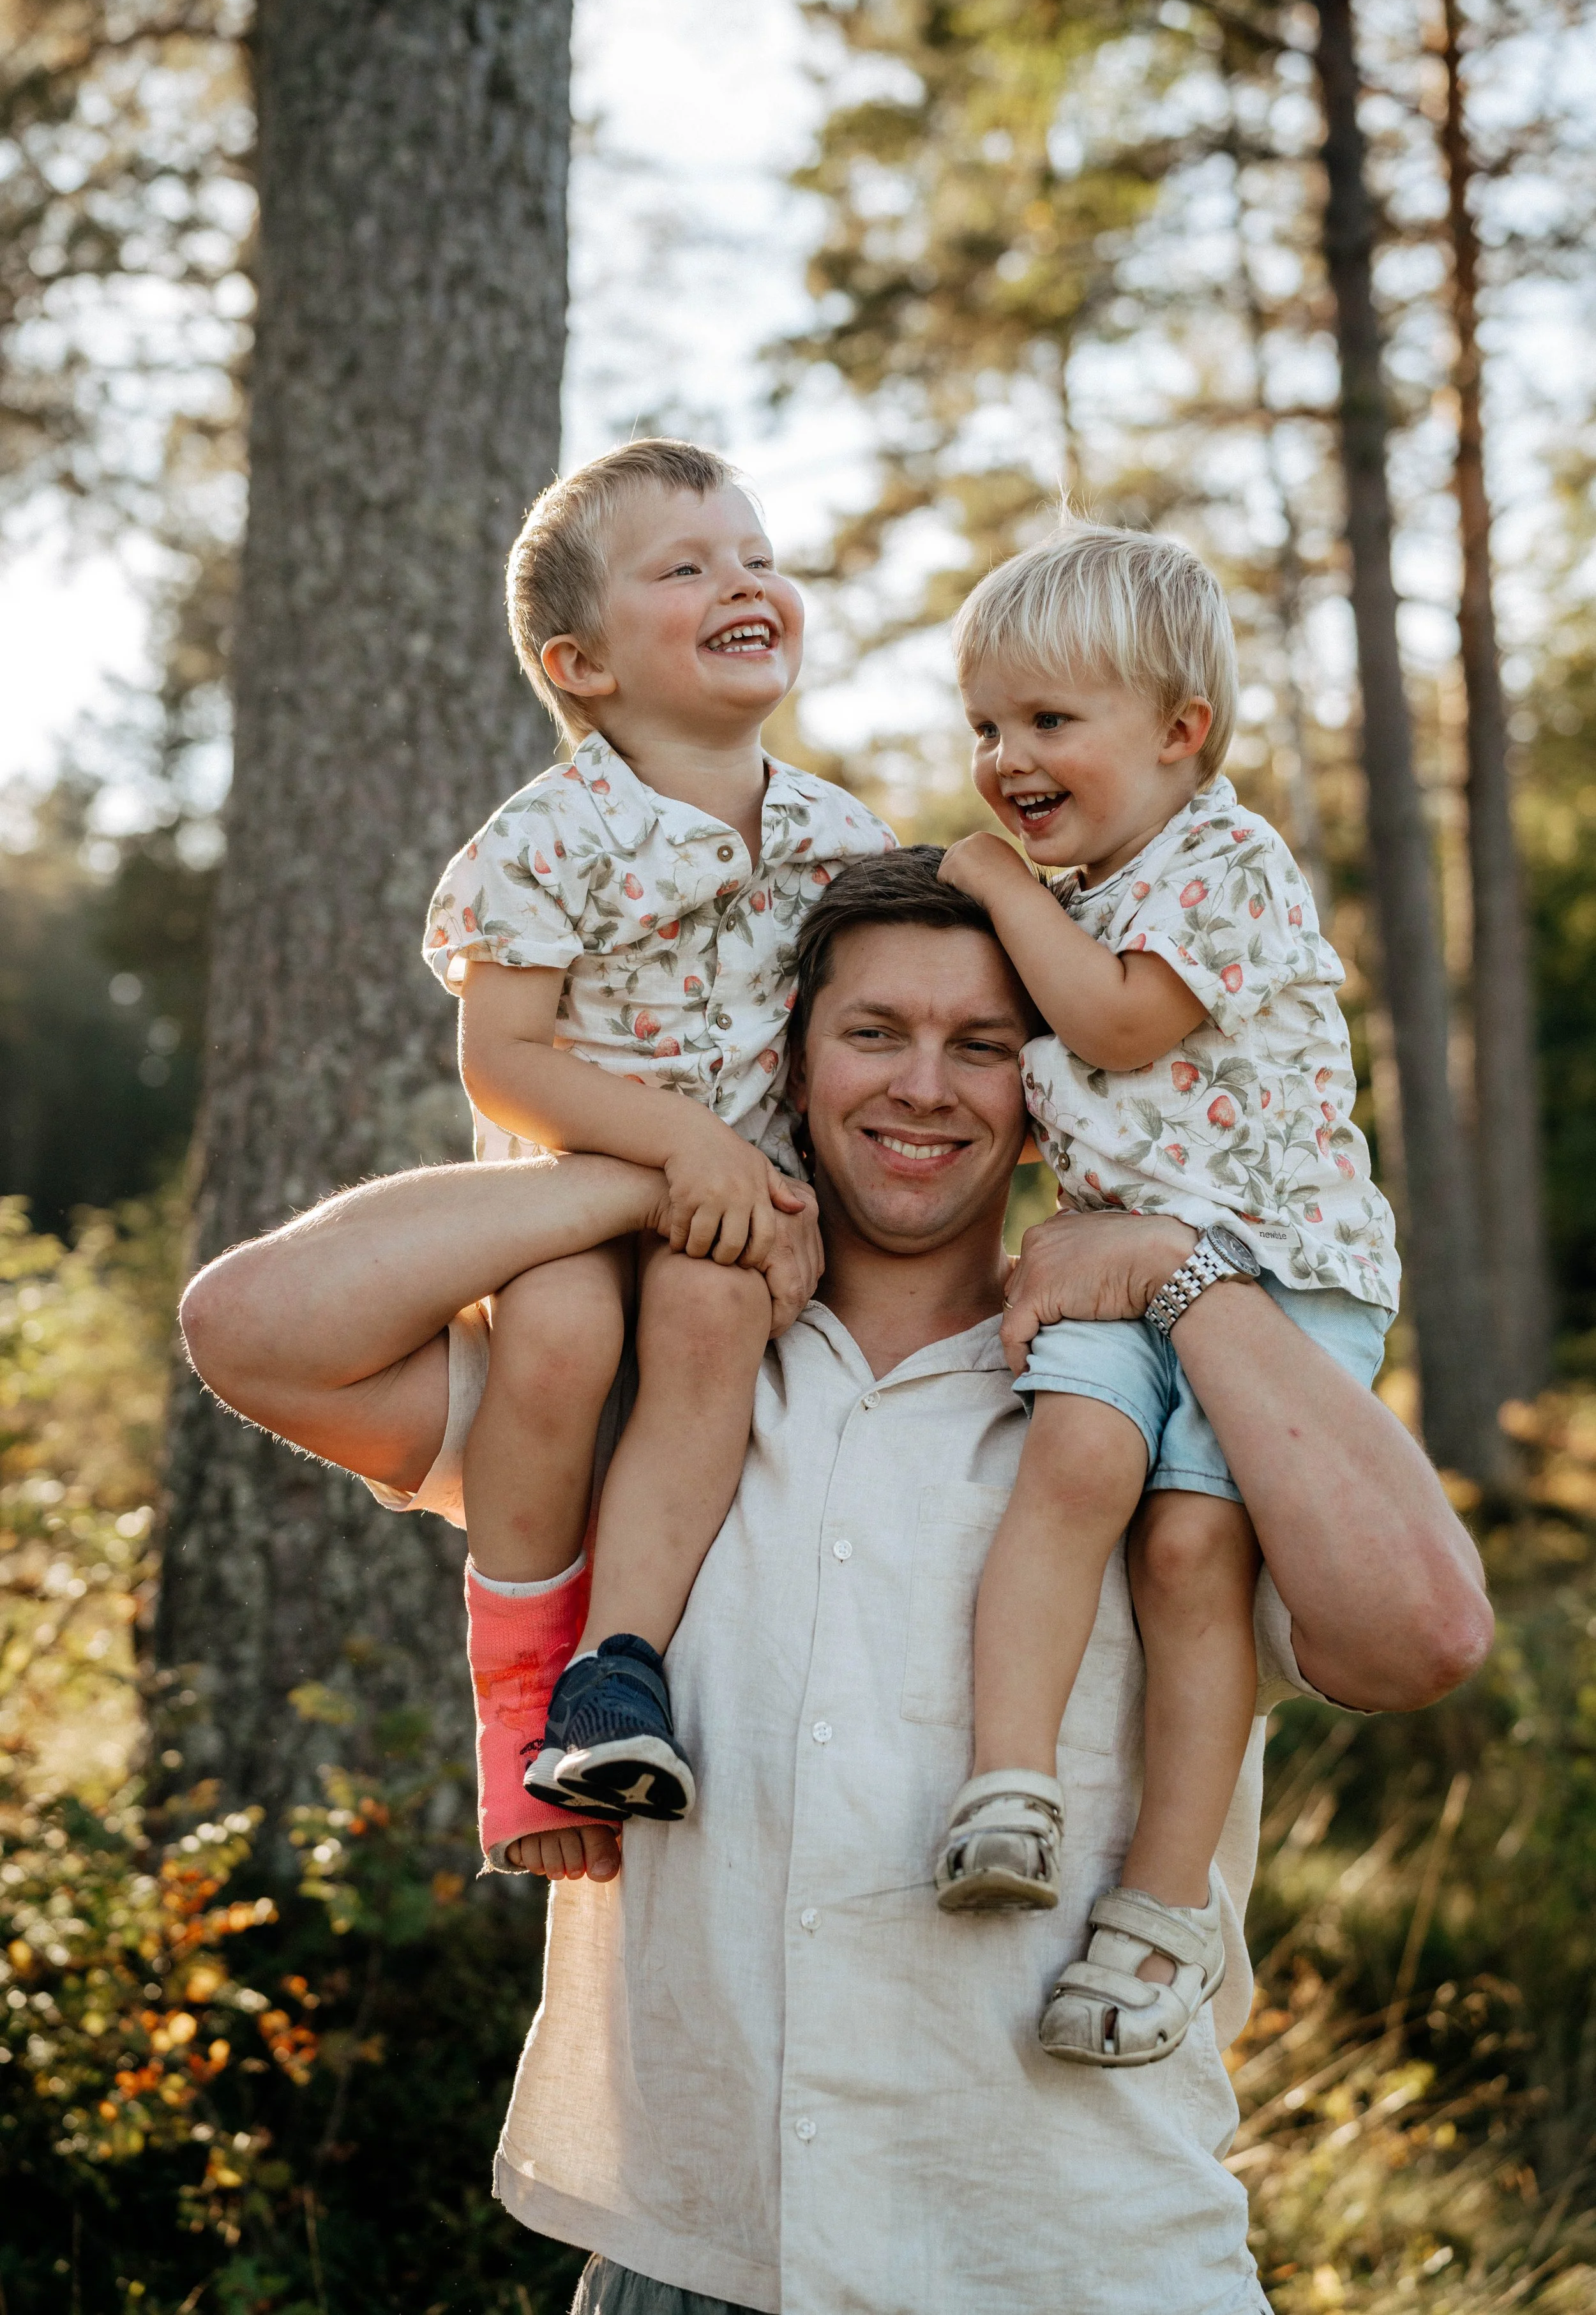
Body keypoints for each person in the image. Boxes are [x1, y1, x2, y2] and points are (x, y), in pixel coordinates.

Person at [180, 847, 1492, 2315]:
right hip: (692, 2260)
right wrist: (665, 1161)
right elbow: (255, 1328)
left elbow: (1420, 1634)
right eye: (872, 1034)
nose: (923, 1087)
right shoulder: (642, 1389)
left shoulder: (1150, 1413)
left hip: (1074, 2262)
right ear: (793, 1062)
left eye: (982, 1047)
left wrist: (1186, 1273)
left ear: (1045, 1087)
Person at [927, 524, 1401, 2070]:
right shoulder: (1082, 884)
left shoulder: (1221, 862)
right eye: (987, 726)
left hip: (1280, 1271)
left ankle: (1160, 1909)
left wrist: (996, 891)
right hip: (1114, 1267)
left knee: (1193, 1544)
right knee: (1072, 1465)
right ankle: (1007, 1785)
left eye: (1047, 723)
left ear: (1178, 732)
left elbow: (1124, 1029)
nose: (1005, 759)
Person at [398, 436, 893, 1825]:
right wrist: (679, 1150)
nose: (744, 583)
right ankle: (515, 1718)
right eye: (686, 567)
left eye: (757, 558)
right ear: (580, 667)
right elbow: (500, 1061)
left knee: (706, 1324)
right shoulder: (549, 837)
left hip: (729, 1212)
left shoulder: (835, 837)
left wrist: (778, 1199)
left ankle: (616, 1674)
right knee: (558, 1337)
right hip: (575, 1184)